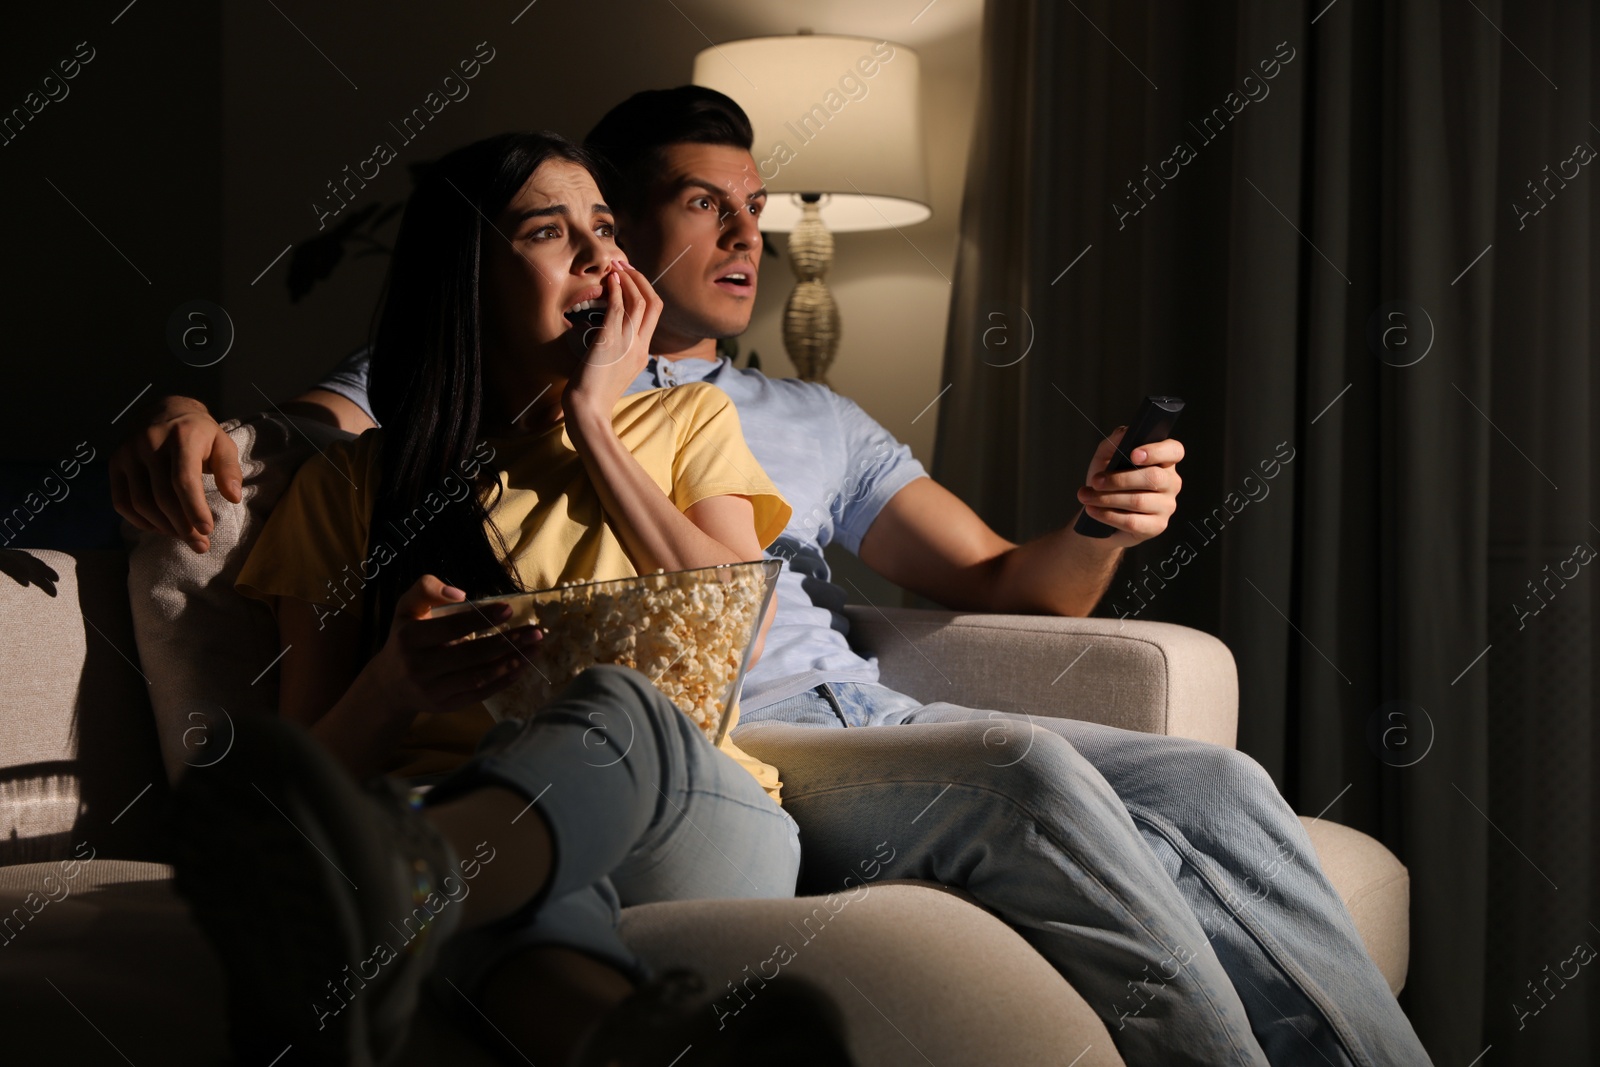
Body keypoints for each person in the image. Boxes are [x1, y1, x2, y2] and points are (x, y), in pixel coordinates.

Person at [127, 91, 1432, 1065]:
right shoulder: (404, 440)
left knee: (1212, 778)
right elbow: (315, 430)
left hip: (801, 730)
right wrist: (188, 411)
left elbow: (998, 578)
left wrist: (1098, 522)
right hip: (739, 739)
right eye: (709, 204)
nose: (754, 234)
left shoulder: (767, 415)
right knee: (974, 773)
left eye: (761, 204)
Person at [167, 129, 849, 1067]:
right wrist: (394, 687)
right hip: (467, 808)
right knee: (502, 854)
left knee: (611, 707)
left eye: (603, 229)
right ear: (468, 279)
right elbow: (310, 771)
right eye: (546, 231)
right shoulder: (352, 490)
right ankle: (632, 1039)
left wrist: (595, 422)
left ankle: (399, 890)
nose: (597, 255)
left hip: (695, 811)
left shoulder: (684, 418)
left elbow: (737, 615)